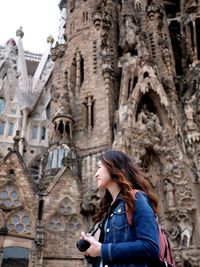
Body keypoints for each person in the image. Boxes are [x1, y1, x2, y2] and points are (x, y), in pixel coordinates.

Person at [79, 150, 159, 267]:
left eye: (99, 167)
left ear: (113, 167)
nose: (96, 174)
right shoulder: (108, 210)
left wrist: (103, 249)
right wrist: (91, 249)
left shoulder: (136, 199)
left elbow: (150, 246)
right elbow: (104, 258)